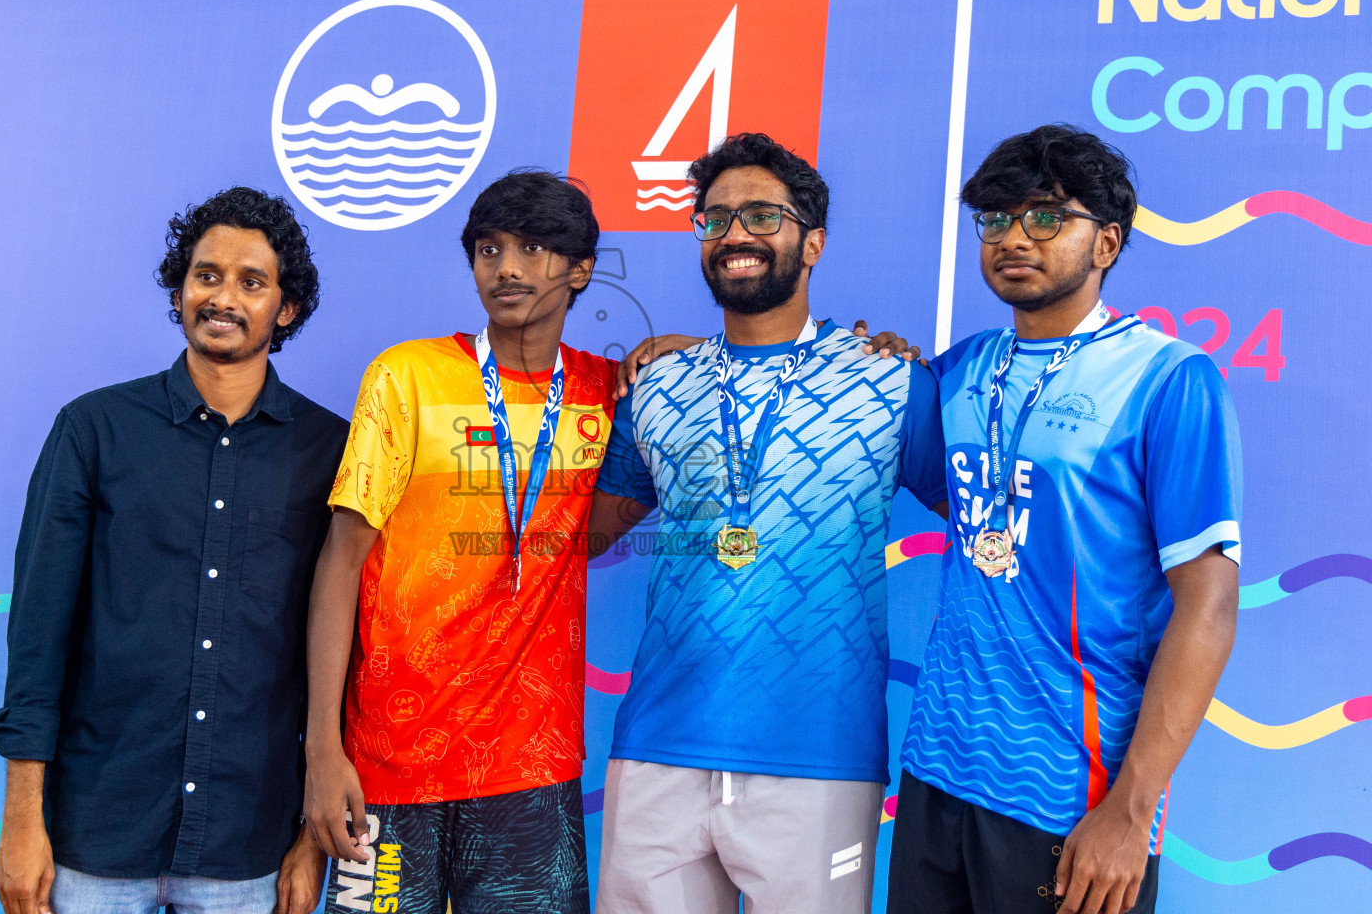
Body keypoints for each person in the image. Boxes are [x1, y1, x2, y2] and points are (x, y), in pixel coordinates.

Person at [587, 132, 947, 914]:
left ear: (812, 241)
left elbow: (993, 519)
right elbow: (583, 535)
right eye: (714, 219)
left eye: (760, 215)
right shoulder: (657, 383)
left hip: (818, 753)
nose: (735, 235)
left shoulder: (889, 379)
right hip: (658, 745)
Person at [888, 125, 1241, 914]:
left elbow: (1209, 606)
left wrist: (1132, 808)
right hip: (938, 772)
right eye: (996, 219)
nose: (1015, 237)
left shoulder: (1168, 380)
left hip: (1069, 796)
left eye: (1046, 216)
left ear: (1107, 242)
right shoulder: (958, 371)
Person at [0, 188, 347, 914]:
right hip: (95, 838)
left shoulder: (330, 451)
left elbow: (346, 657)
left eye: (252, 282)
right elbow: (37, 641)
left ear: (287, 309)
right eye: (206, 275)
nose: (223, 297)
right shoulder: (94, 430)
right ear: (180, 289)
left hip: (248, 848)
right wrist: (24, 821)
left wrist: (312, 840)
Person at [302, 171, 619, 914]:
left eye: (534, 249)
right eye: (487, 249)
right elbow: (339, 562)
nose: (505, 268)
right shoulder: (406, 377)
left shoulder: (612, 392)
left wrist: (670, 348)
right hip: (387, 762)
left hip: (531, 770)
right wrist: (322, 749)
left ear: (581, 269)